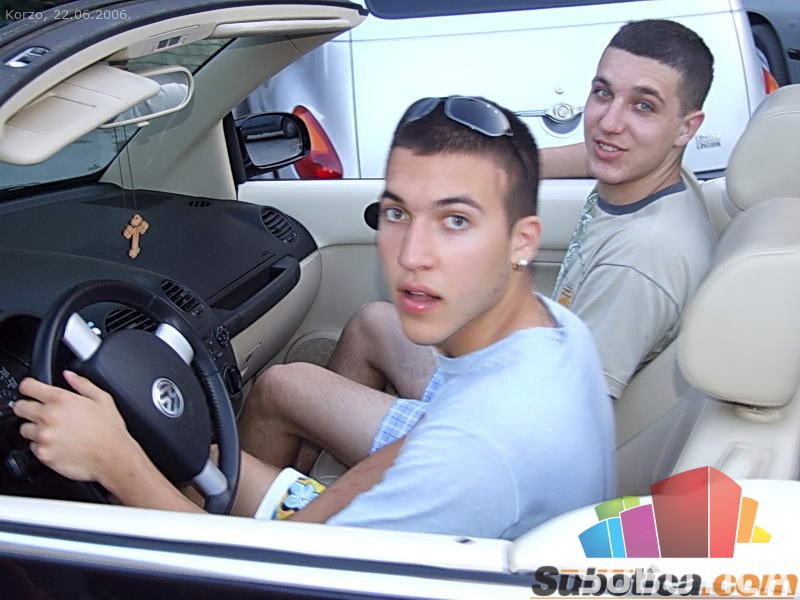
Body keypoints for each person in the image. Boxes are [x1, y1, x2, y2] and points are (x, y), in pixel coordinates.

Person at [13, 96, 615, 539]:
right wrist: (318, 512)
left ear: (522, 240)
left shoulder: (468, 461)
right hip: (410, 538)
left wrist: (116, 461)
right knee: (213, 469)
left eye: (456, 220)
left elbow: (257, 575)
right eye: (398, 213)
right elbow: (416, 446)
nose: (412, 254)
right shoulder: (551, 333)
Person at [239, 18, 717, 475]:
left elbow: (560, 428)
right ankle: (302, 493)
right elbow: (592, 154)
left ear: (686, 127)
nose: (609, 123)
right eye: (603, 93)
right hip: (512, 389)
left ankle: (236, 520)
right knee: (375, 322)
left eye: (643, 106)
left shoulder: (641, 258)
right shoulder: (654, 179)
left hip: (496, 453)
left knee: (282, 387)